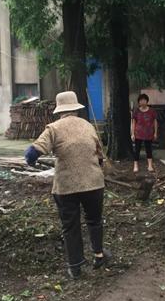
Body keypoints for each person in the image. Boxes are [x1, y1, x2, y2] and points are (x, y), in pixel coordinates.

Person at [24, 91, 110, 279]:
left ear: (59, 110)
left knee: (70, 225)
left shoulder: (53, 128)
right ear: (76, 108)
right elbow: (100, 155)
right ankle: (98, 255)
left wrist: (29, 160)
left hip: (67, 187)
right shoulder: (88, 126)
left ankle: (75, 266)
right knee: (94, 220)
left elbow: (34, 152)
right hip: (94, 183)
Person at [131, 93, 158, 173]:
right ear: (139, 102)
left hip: (149, 134)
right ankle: (135, 165)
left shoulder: (152, 111)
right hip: (138, 133)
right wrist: (132, 133)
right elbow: (133, 123)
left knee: (148, 149)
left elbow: (155, 122)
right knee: (137, 150)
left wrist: (155, 133)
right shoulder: (136, 111)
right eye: (141, 100)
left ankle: (150, 165)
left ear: (147, 101)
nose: (142, 102)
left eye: (144, 100)